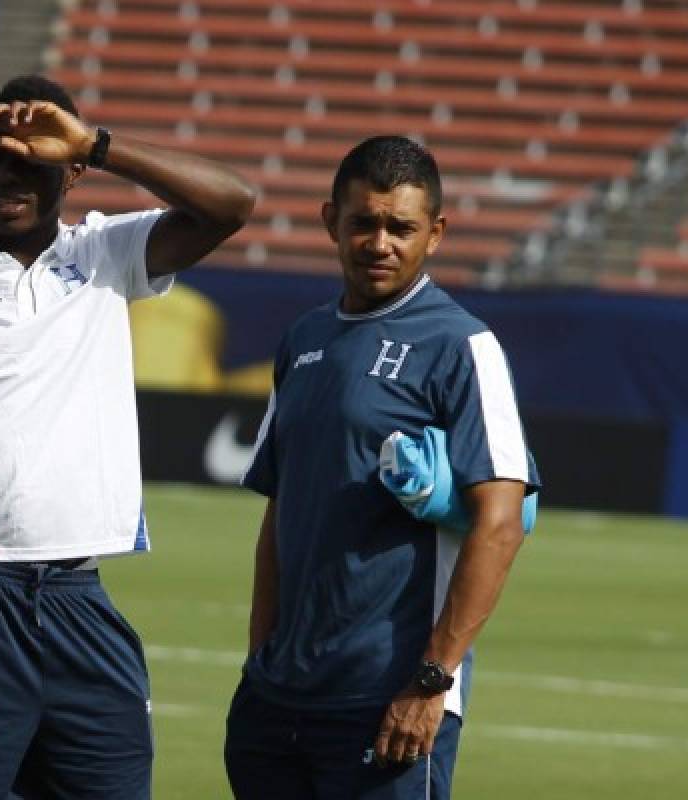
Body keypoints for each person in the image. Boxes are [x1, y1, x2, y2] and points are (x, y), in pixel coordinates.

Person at [0, 74, 256, 799]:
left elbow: (232, 203)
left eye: (33, 162)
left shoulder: (104, 254)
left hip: (80, 596)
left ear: (70, 170)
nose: (9, 176)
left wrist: (97, 142)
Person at [223, 135, 540, 799]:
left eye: (402, 227)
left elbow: (502, 523)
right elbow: (281, 510)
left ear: (436, 233)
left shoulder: (461, 345)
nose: (379, 242)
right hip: (278, 703)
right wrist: (260, 664)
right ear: (330, 220)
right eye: (363, 222)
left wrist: (432, 681)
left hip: (388, 701)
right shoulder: (304, 339)